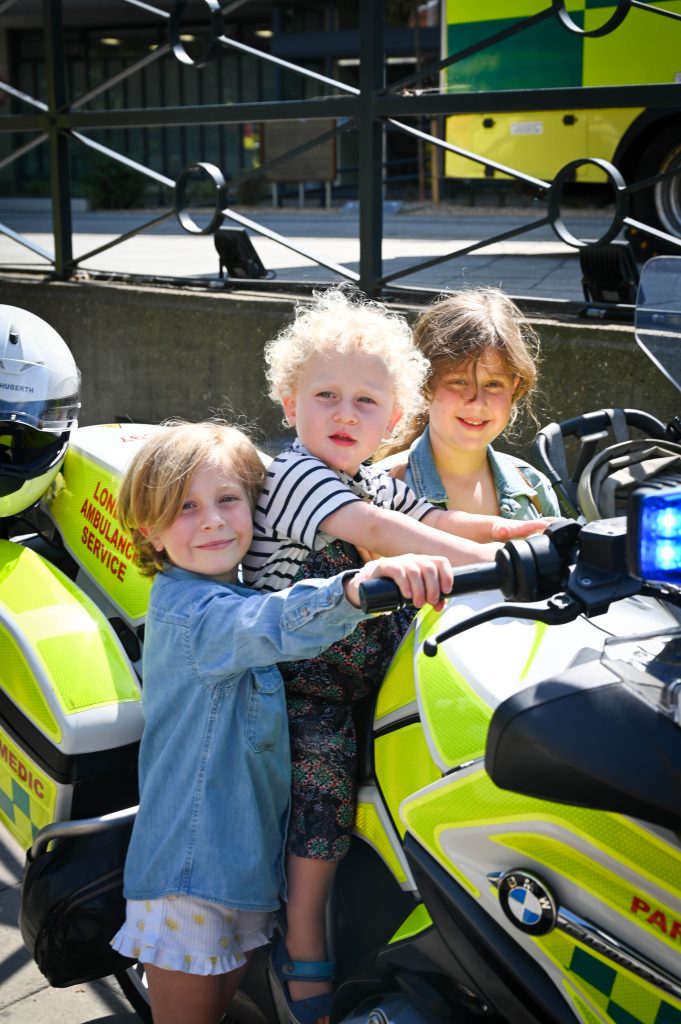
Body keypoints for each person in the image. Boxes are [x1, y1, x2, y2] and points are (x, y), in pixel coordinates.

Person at [240, 286, 552, 1024]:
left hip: (363, 673)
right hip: (297, 684)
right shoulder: (298, 477)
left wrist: (532, 535)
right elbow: (382, 533)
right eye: (326, 396)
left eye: (365, 403)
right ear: (289, 404)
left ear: (391, 416)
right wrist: (509, 567)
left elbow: (437, 518)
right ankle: (306, 939)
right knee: (323, 793)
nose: (345, 415)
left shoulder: (370, 476)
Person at [109, 419, 453, 1024]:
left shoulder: (232, 589)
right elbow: (270, 623)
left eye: (227, 500)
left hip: (242, 873)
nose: (213, 520)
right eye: (185, 508)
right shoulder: (190, 612)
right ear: (151, 533)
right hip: (190, 879)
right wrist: (354, 588)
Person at [374, 287, 560, 519]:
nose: (477, 402)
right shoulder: (377, 492)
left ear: (514, 386)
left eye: (493, 384)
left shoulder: (534, 488)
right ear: (423, 384)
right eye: (459, 382)